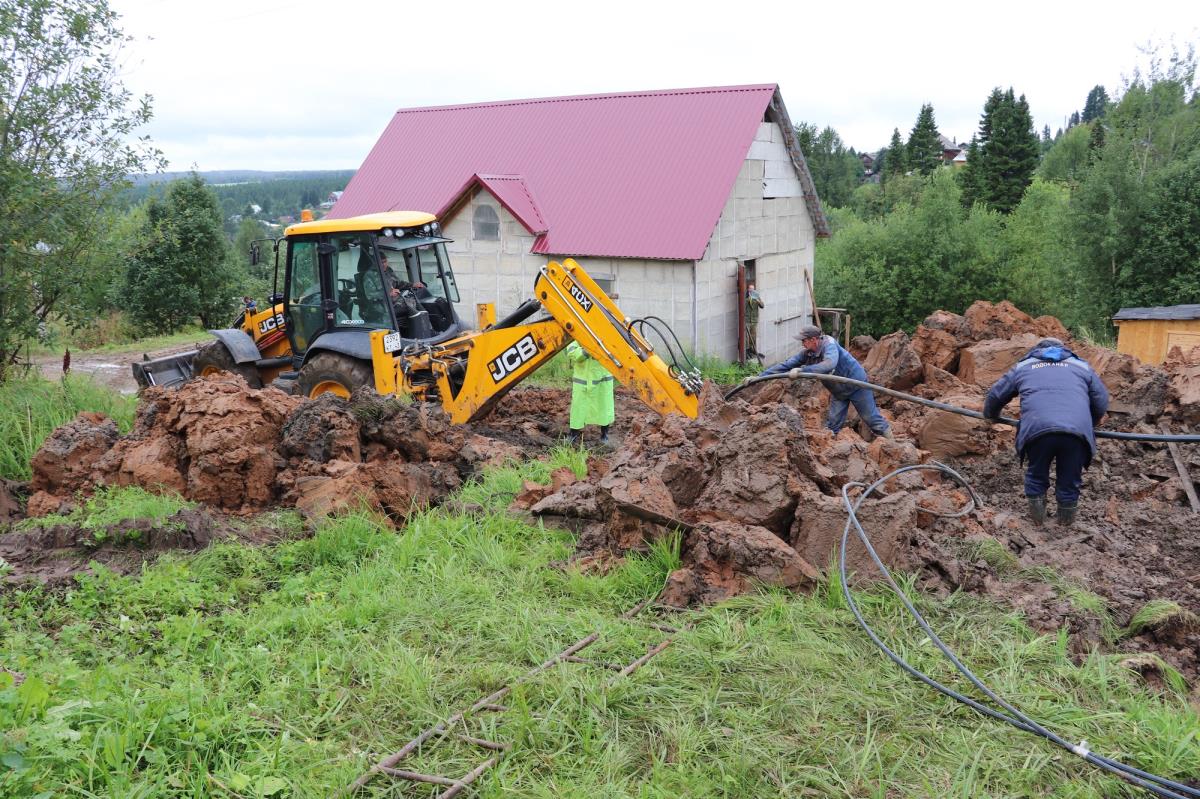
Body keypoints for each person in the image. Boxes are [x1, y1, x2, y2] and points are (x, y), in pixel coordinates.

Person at [983, 337, 1108, 528]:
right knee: (1070, 479)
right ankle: (1065, 524)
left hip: (1037, 429)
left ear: (1036, 350)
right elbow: (1101, 400)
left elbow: (996, 395)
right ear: (1064, 349)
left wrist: (991, 415)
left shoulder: (1024, 366)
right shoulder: (1081, 366)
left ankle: (1038, 523)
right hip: (1076, 433)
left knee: (1036, 474)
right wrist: (1091, 423)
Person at [759, 324, 892, 439]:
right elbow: (786, 365)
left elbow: (829, 364)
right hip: (838, 391)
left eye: (804, 340)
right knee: (832, 425)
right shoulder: (808, 353)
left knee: (871, 419)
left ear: (814, 339)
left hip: (856, 385)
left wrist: (803, 370)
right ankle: (831, 455)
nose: (802, 344)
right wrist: (759, 377)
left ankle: (892, 444)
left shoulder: (830, 344)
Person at [566, 340, 615, 446]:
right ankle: (573, 435)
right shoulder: (580, 337)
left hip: (603, 381)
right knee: (578, 410)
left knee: (604, 408)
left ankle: (604, 435)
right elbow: (572, 353)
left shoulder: (609, 337)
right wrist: (588, 349)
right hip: (583, 383)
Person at [745, 282, 765, 363]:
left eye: (753, 289)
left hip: (754, 320)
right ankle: (746, 351)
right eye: (750, 289)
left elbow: (762, 306)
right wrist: (748, 298)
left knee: (753, 336)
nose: (752, 290)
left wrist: (758, 300)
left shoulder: (757, 296)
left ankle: (752, 349)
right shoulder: (745, 296)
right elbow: (743, 306)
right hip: (747, 320)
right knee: (746, 336)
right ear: (748, 289)